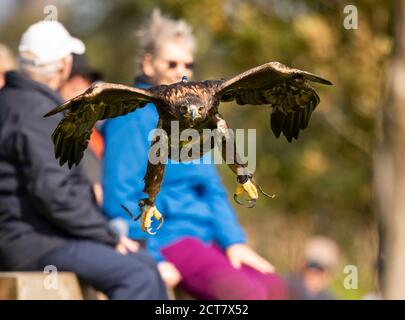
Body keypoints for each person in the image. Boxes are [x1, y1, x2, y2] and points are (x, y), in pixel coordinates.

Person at [102, 10, 287, 300]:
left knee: (274, 286)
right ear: (148, 64)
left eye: (188, 63)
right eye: (171, 62)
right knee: (245, 295)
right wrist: (151, 257)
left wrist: (233, 241)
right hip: (167, 238)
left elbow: (212, 188)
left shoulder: (195, 115)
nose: (181, 70)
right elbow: (120, 194)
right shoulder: (131, 116)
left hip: (206, 237)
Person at [0, 20, 168, 300]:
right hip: (35, 243)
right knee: (137, 277)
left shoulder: (13, 101)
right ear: (63, 66)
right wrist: (108, 236)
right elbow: (55, 194)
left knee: (144, 264)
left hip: (31, 236)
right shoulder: (41, 113)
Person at [59, 53, 105, 205]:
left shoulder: (99, 128)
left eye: (85, 79)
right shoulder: (53, 127)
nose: (78, 85)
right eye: (71, 78)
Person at [286, 236, 340, 300]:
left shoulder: (329, 297)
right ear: (302, 264)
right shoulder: (283, 288)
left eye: (320, 268)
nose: (314, 271)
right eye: (311, 265)